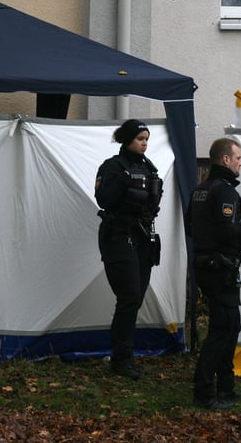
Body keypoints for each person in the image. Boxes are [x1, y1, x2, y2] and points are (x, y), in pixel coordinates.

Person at [187, 137, 241, 410]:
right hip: (220, 268)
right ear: (225, 159)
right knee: (221, 329)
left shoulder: (200, 190)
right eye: (238, 158)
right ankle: (204, 392)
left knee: (232, 325)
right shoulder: (225, 191)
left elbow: (191, 227)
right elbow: (230, 230)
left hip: (207, 265)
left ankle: (226, 386)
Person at [94, 119, 163, 379]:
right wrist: (125, 181)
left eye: (146, 139)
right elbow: (103, 198)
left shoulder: (149, 168)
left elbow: (153, 203)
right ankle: (121, 359)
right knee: (129, 297)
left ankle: (124, 356)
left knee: (135, 298)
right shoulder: (113, 166)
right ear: (127, 140)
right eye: (140, 138)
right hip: (118, 236)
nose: (144, 143)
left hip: (142, 237)